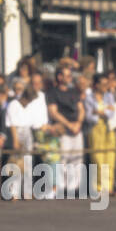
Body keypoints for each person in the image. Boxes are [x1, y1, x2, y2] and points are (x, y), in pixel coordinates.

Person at [46, 62, 85, 195]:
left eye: (70, 75)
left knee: (77, 158)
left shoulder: (74, 91)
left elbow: (81, 108)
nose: (69, 77)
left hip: (77, 129)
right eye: (66, 75)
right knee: (63, 158)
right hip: (63, 129)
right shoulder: (52, 92)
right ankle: (61, 187)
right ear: (59, 76)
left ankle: (73, 188)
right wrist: (69, 125)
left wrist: (78, 123)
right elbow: (53, 112)